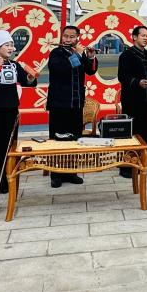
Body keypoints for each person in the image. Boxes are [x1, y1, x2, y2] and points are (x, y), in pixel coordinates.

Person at [0, 30, 38, 199]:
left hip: (11, 111)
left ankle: (7, 181)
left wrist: (30, 77)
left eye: (12, 45)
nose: (11, 48)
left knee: (9, 147)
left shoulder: (14, 64)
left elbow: (28, 82)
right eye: (7, 45)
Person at [45, 24, 98, 187]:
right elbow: (60, 68)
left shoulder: (79, 53)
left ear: (77, 38)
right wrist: (78, 55)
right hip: (58, 104)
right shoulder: (56, 53)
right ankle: (56, 174)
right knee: (57, 139)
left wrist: (90, 57)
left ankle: (71, 172)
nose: (68, 39)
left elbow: (91, 71)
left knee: (74, 138)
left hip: (76, 103)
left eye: (72, 37)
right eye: (66, 36)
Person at [116, 25, 147, 177]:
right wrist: (138, 82)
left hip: (145, 100)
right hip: (131, 100)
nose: (146, 38)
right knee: (131, 133)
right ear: (134, 37)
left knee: (143, 132)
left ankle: (141, 164)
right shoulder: (126, 55)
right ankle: (127, 167)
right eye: (143, 35)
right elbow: (122, 76)